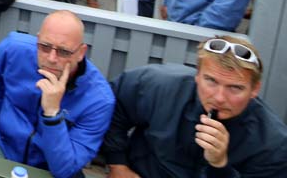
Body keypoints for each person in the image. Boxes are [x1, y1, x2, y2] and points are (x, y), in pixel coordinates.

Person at [103, 37, 287, 178]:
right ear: (197, 75)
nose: (219, 97)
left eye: (235, 88)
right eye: (211, 81)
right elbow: (113, 107)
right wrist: (117, 164)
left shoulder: (273, 144)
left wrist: (219, 164)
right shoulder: (160, 85)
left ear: (255, 89)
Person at [0, 11, 115, 178]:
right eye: (45, 46)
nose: (52, 58)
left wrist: (52, 114)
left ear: (81, 52)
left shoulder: (99, 100)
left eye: (63, 51)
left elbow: (64, 170)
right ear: (38, 39)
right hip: (6, 148)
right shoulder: (13, 49)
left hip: (52, 165)